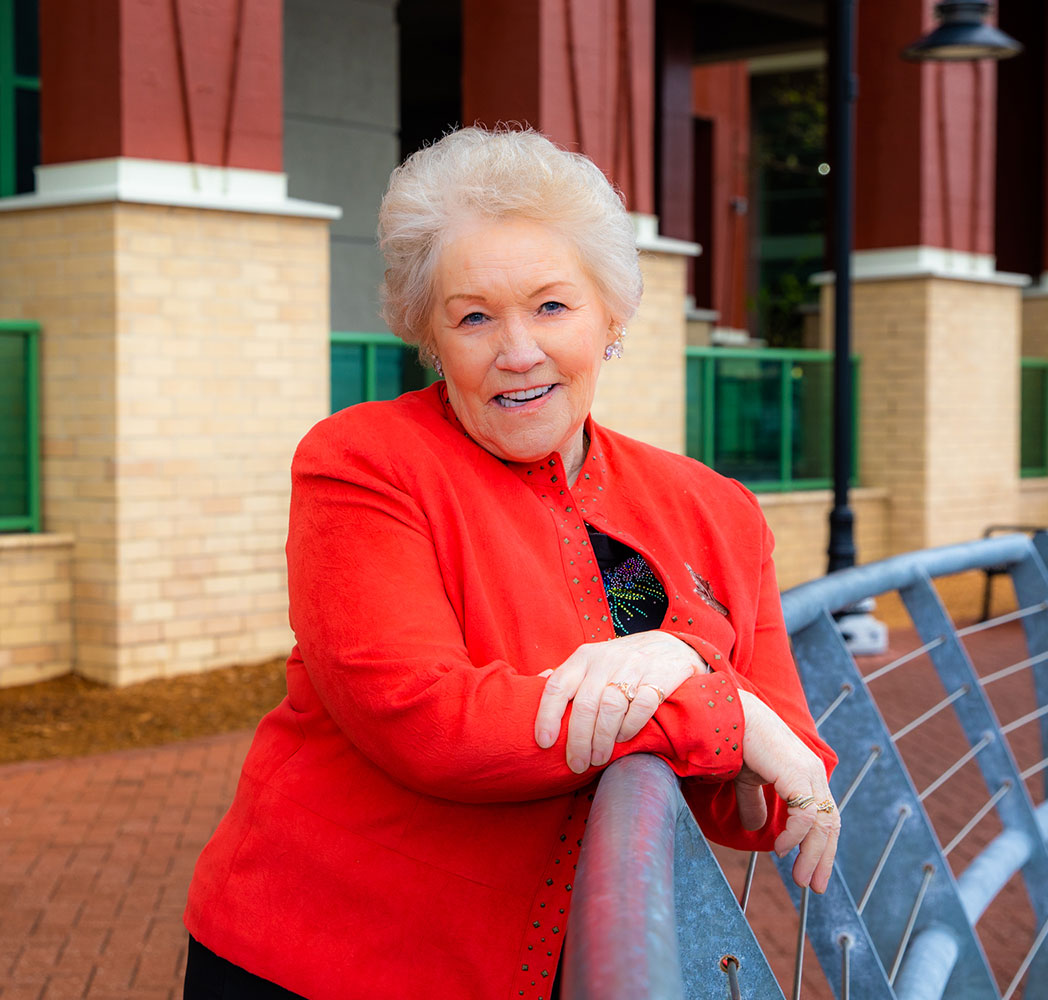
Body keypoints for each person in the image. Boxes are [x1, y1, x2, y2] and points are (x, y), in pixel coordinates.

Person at [181, 127, 840, 1000]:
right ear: (431, 336)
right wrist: (709, 698)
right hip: (326, 962)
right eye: (474, 316)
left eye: (552, 307)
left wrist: (703, 696)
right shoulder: (364, 463)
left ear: (612, 316)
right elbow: (429, 722)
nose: (517, 349)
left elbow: (772, 785)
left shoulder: (717, 507)